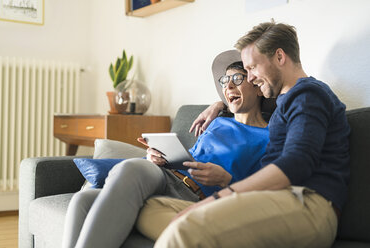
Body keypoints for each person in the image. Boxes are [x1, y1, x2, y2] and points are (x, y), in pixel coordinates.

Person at [140, 21, 350, 248]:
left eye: (252, 68)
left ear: (280, 57)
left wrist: (219, 197)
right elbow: (245, 105)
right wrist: (219, 104)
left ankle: (192, 233)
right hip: (271, 201)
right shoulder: (283, 107)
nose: (249, 79)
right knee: (149, 209)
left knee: (185, 227)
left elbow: (297, 162)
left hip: (308, 205)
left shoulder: (308, 94)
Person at [61, 51, 271, 248]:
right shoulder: (216, 122)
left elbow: (265, 193)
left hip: (193, 194)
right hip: (168, 174)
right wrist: (157, 156)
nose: (228, 87)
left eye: (237, 79)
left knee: (131, 169)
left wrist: (227, 180)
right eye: (225, 81)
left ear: (257, 85)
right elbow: (192, 155)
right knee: (82, 199)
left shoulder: (268, 138)